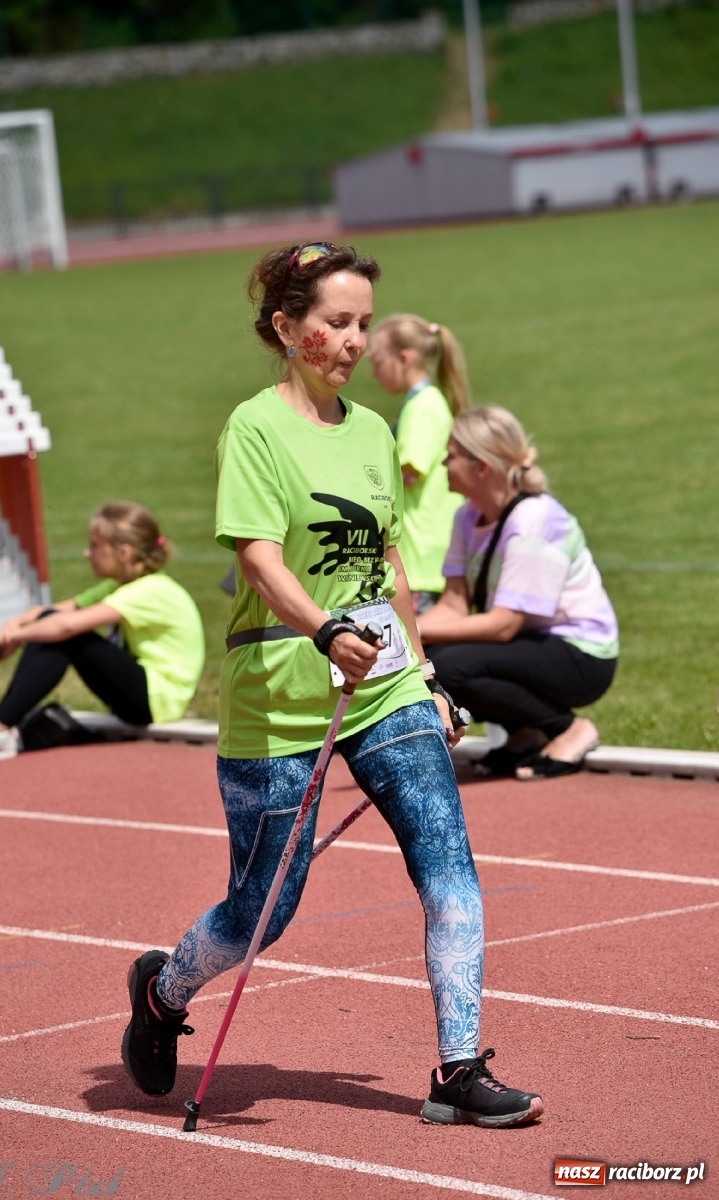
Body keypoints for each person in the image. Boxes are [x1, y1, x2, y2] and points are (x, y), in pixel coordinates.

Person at [120, 242, 544, 1128]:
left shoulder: (373, 432)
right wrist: (323, 629)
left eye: (360, 324)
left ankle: (457, 1069)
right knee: (259, 915)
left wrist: (422, 672)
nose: (352, 341)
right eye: (334, 323)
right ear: (286, 328)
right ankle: (162, 993)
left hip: (381, 684)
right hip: (279, 689)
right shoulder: (254, 428)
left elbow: (386, 557)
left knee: (449, 869)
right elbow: (257, 554)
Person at [417, 406, 619, 781]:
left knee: (448, 665)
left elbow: (504, 626)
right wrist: (408, 636)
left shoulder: (533, 518)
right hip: (532, 644)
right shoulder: (467, 515)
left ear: (483, 467)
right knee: (428, 659)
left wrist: (419, 635)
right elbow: (454, 604)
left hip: (582, 655)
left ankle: (568, 729)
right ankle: (524, 733)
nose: (443, 463)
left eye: (451, 455)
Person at [0, 501, 205, 765]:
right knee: (53, 625)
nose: (87, 553)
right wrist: (12, 626)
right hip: (144, 696)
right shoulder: (120, 585)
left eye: (95, 546)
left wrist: (18, 636)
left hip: (157, 702)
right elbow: (48, 612)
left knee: (64, 634)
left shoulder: (151, 590)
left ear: (123, 553)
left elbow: (66, 625)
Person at [368, 314, 471, 614]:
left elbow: (410, 472)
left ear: (404, 358)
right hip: (430, 551)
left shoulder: (423, 407)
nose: (375, 374)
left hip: (420, 554)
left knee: (415, 651)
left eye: (378, 363)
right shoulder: (425, 403)